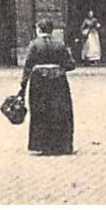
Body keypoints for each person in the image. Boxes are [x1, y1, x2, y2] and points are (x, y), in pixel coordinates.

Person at [20, 18, 77, 155]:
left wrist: (23, 85)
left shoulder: (34, 45)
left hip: (39, 82)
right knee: (60, 111)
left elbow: (28, 66)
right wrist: (58, 69)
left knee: (40, 111)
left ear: (39, 29)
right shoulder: (59, 44)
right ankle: (62, 145)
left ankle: (42, 145)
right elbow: (71, 64)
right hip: (58, 82)